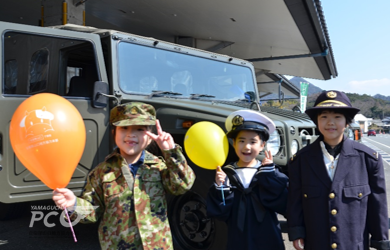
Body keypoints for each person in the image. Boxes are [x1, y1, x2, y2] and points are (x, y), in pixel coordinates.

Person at [52, 102, 195, 249]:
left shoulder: (159, 167)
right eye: (124, 128)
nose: (131, 134)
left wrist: (171, 152)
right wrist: (74, 204)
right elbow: (93, 211)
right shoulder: (101, 172)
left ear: (150, 137)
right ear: (114, 133)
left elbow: (183, 185)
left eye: (139, 129)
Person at [287, 90, 390, 250]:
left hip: (354, 245)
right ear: (316, 121)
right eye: (324, 117)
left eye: (337, 117)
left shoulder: (368, 159)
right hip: (316, 244)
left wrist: (380, 240)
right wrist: (296, 231)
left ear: (347, 122)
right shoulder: (300, 161)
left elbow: (378, 204)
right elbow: (295, 200)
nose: (330, 123)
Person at [206, 110, 288, 250]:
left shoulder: (267, 172)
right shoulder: (227, 173)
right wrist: (220, 188)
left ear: (262, 145)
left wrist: (270, 175)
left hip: (268, 237)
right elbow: (220, 213)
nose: (246, 146)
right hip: (238, 237)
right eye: (241, 141)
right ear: (233, 143)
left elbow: (283, 203)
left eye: (253, 141)